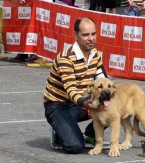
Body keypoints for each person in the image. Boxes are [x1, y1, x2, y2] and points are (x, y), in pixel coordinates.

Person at [44, 17, 107, 154]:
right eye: (85, 35)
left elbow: (103, 82)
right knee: (75, 146)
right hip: (57, 106)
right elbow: (71, 91)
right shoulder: (66, 58)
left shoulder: (95, 54)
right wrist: (86, 103)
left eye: (93, 34)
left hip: (77, 105)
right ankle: (58, 130)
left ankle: (91, 135)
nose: (91, 38)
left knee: (110, 106)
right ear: (75, 35)